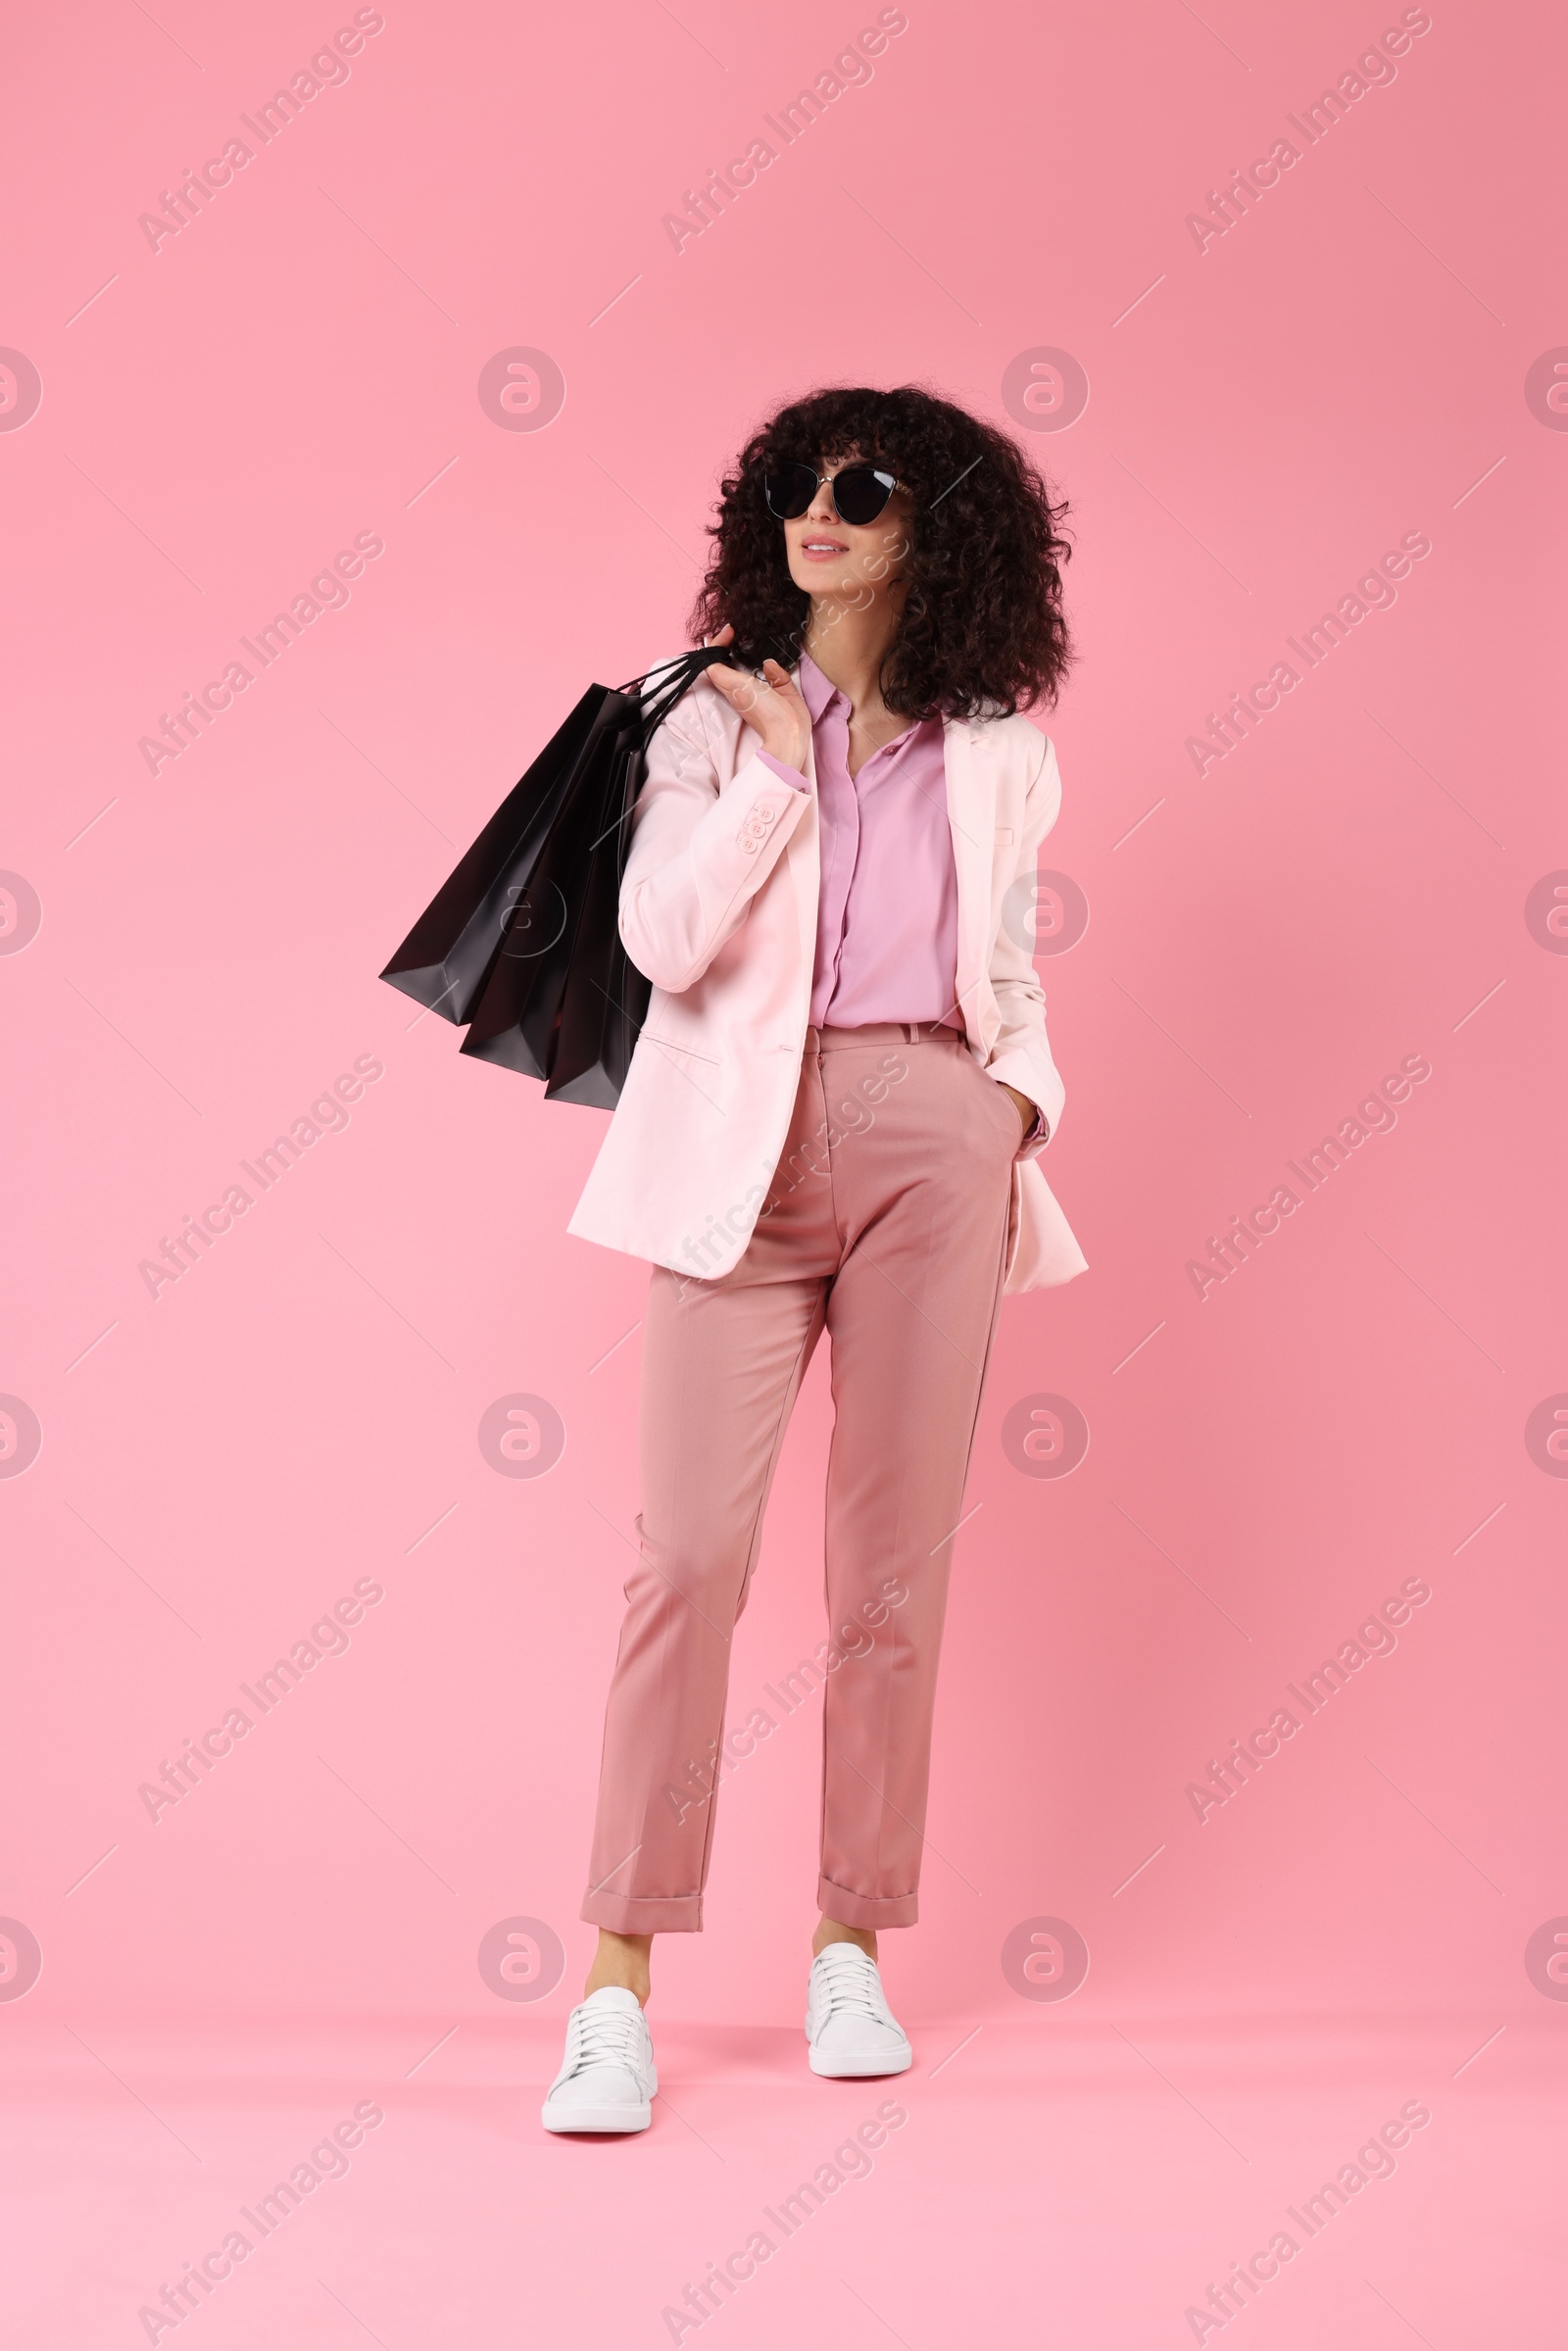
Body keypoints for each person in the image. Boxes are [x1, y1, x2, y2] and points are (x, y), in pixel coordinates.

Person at [542, 384, 1088, 2133]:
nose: (821, 511)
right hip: (741, 1152)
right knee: (686, 1558)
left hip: (934, 1129)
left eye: (863, 488)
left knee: (889, 1574)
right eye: (796, 483)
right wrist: (780, 766)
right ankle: (618, 1978)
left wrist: (1014, 1109)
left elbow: (1006, 965)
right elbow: (659, 935)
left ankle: (850, 1941)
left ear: (942, 530)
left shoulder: (1000, 745)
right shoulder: (708, 715)